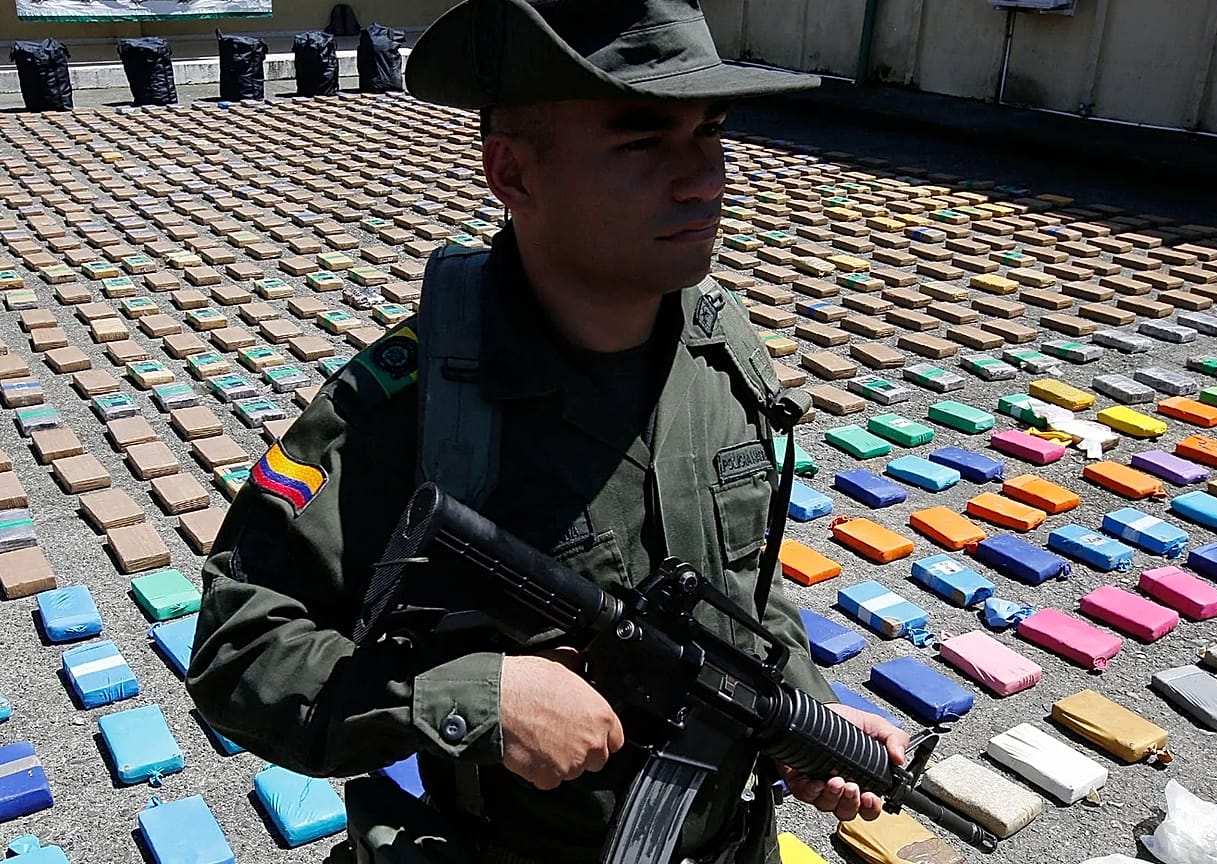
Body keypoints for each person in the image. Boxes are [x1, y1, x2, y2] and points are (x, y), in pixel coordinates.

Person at [185, 1, 909, 862]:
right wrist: (476, 698)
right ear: (514, 173)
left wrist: (799, 712)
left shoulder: (724, 353)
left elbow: (745, 591)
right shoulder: (411, 404)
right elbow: (237, 655)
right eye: (642, 142)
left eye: (710, 133)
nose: (703, 177)